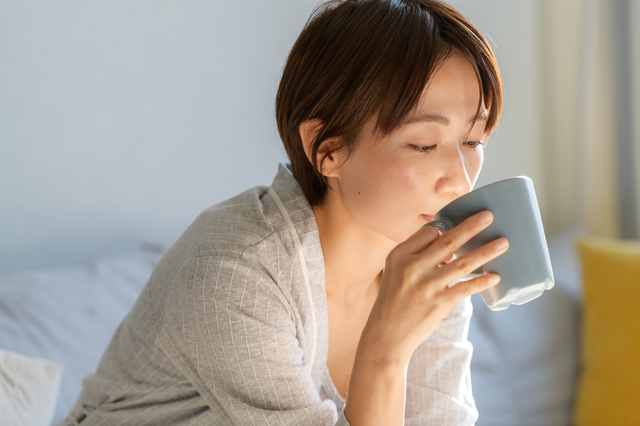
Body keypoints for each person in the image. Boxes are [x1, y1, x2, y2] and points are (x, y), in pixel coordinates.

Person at [59, 0, 507, 424]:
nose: (461, 180)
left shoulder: (430, 268)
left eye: (473, 142)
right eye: (423, 144)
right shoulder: (235, 272)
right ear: (326, 149)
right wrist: (386, 351)